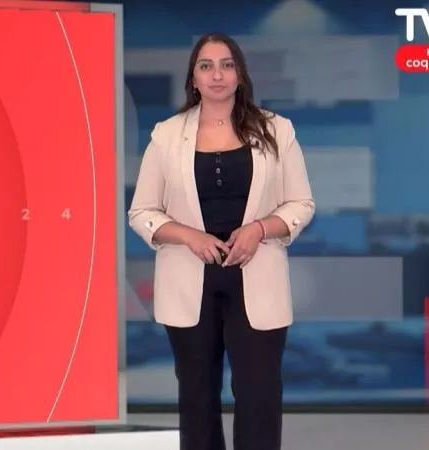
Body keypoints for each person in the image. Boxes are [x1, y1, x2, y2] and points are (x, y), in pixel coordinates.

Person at [128, 32, 315, 450]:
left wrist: (260, 229)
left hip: (256, 277)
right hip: (189, 282)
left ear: (240, 75)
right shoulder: (166, 135)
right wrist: (189, 236)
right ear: (193, 78)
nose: (217, 75)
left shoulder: (277, 130)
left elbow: (301, 203)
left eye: (227, 65)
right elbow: (142, 212)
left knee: (259, 396)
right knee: (196, 397)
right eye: (206, 66)